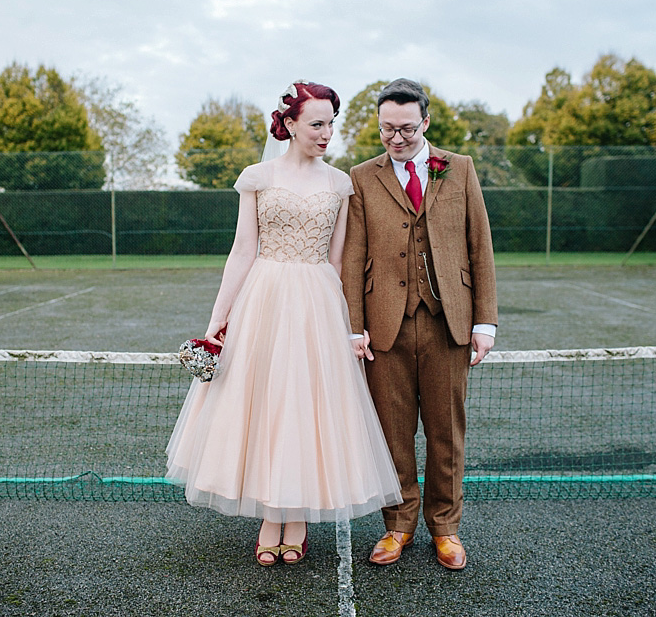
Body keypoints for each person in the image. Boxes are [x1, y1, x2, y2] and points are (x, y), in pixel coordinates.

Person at [166, 80, 402, 567]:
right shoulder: (257, 176)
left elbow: (339, 264)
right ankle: (271, 519)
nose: (326, 133)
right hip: (264, 299)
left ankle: (294, 520)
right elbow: (241, 250)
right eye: (316, 123)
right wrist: (219, 318)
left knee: (307, 408)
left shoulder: (340, 183)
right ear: (289, 124)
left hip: (317, 302)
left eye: (331, 123)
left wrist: (347, 325)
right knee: (267, 405)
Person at [341, 78, 498, 571]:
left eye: (406, 128)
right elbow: (353, 255)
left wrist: (485, 322)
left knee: (446, 431)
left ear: (425, 123)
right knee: (392, 432)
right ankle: (398, 525)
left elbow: (480, 246)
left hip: (449, 322)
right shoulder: (362, 177)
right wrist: (354, 325)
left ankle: (446, 529)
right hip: (384, 326)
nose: (396, 138)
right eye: (387, 128)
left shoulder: (460, 168)